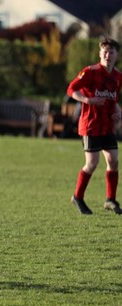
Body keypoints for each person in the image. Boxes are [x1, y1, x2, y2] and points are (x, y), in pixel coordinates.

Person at [68, 37, 122, 215]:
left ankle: (110, 200)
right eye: (104, 52)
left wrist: (117, 111)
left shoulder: (117, 77)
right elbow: (71, 89)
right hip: (90, 125)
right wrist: (88, 99)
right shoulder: (90, 72)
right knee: (92, 163)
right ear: (100, 53)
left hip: (107, 125)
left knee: (113, 160)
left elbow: (113, 99)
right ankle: (77, 197)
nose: (107, 55)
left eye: (111, 52)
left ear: (116, 55)